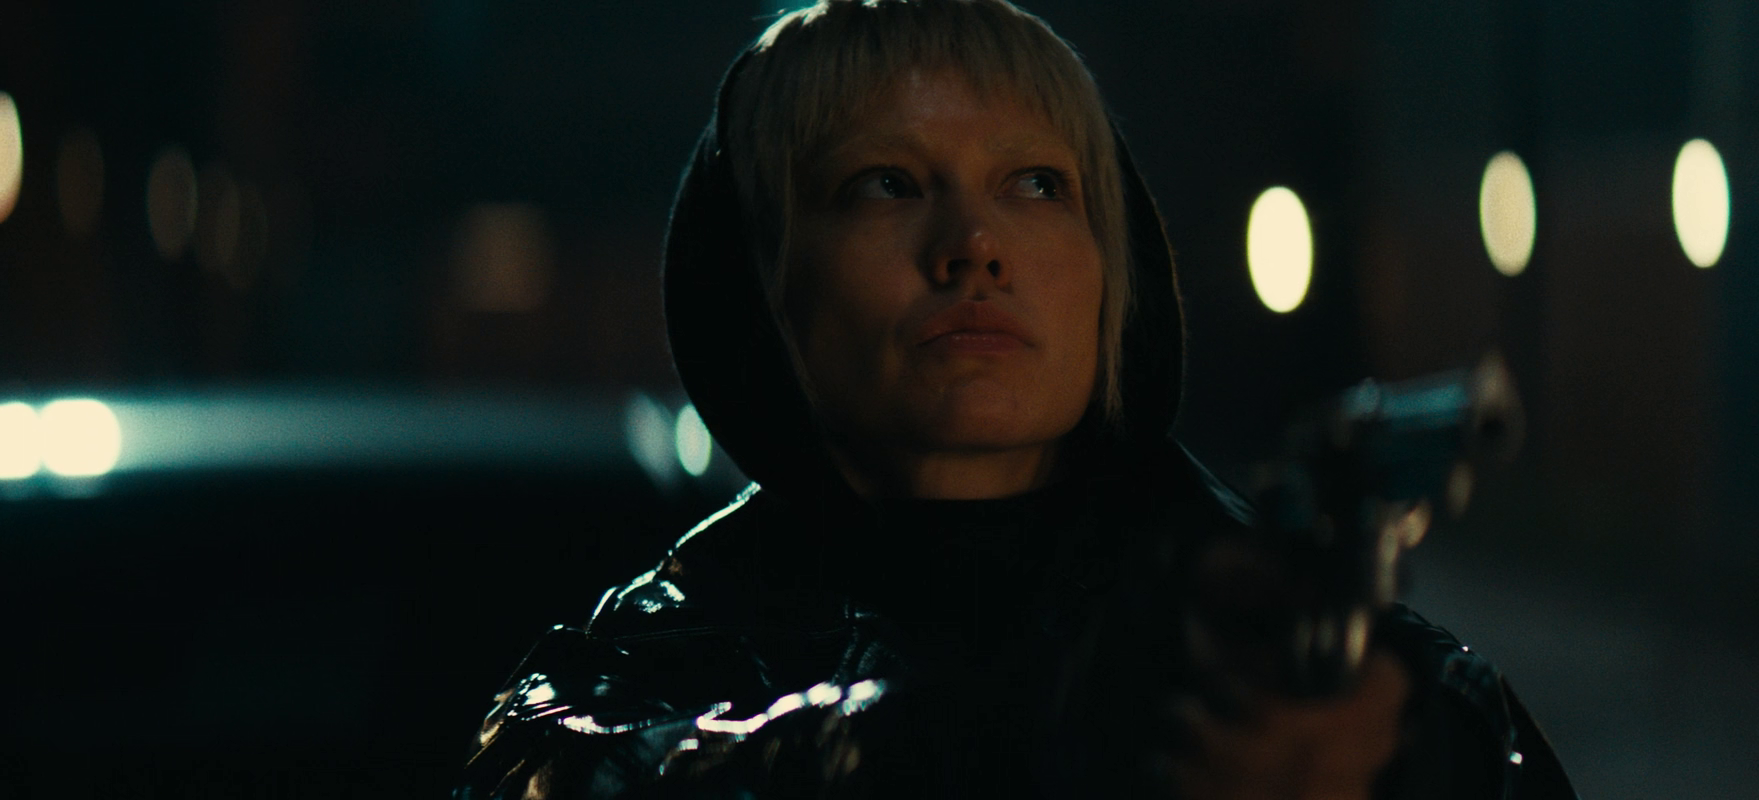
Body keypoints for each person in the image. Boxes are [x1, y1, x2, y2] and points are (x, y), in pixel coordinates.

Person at [455, 1, 1577, 797]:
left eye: (1036, 184)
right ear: (758, 283)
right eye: (885, 184)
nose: (973, 244)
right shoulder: (635, 669)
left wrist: (1414, 763)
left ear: (1112, 267)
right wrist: (1032, 734)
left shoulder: (1378, 684)